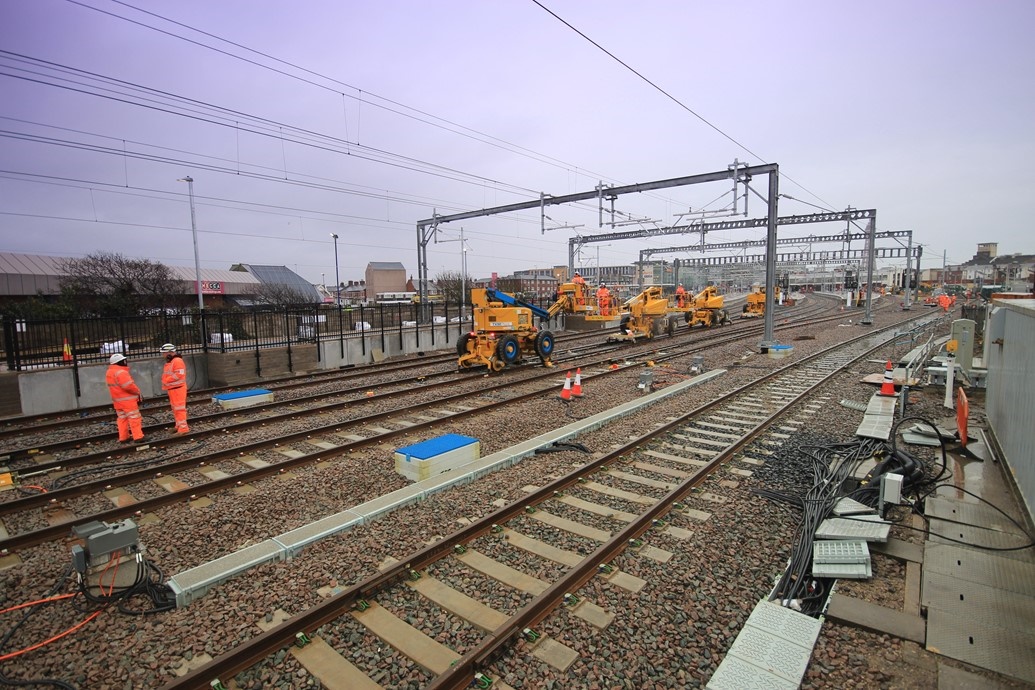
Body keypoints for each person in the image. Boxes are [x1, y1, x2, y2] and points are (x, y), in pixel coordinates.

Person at [106, 353, 144, 443]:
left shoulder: (109, 372)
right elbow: (128, 386)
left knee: (122, 419)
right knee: (134, 418)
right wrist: (138, 392)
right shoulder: (121, 372)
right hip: (128, 401)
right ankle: (138, 437)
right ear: (120, 362)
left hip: (117, 401)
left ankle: (123, 437)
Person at [161, 343, 190, 434]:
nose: (163, 355)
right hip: (173, 389)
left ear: (169, 352)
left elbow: (179, 374)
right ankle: (178, 426)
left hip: (177, 389)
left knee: (179, 409)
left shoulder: (177, 361)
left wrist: (166, 380)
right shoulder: (172, 361)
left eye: (164, 353)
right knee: (176, 409)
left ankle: (183, 429)